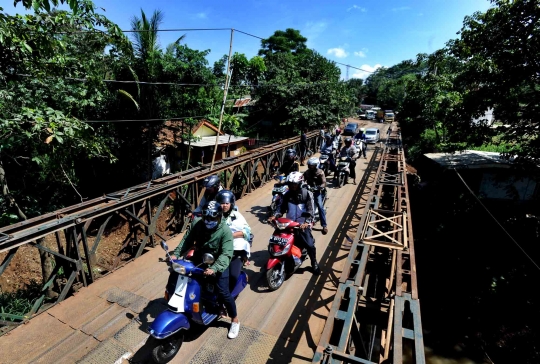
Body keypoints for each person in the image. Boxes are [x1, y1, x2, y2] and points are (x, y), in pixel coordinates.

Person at [170, 201, 240, 339]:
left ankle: (235, 320)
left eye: (212, 218)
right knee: (181, 277)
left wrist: (214, 268)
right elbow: (187, 240)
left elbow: (226, 254)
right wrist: (176, 253)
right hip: (200, 259)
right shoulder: (197, 223)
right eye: (206, 218)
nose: (209, 221)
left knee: (224, 292)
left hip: (218, 263)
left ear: (219, 217)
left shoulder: (224, 231)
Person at [267, 172, 321, 275]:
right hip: (289, 224)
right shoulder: (287, 194)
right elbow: (281, 208)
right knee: (276, 240)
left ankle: (314, 263)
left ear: (300, 183)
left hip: (301, 226)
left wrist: (307, 222)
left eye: (294, 184)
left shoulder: (307, 194)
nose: (292, 186)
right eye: (290, 184)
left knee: (310, 245)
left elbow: (311, 211)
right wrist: (275, 216)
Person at [215, 190, 251, 291]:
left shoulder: (237, 216)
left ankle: (227, 297)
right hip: (217, 248)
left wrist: (231, 235)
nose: (224, 206)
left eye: (227, 203)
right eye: (222, 203)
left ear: (231, 204)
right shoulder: (215, 215)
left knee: (232, 276)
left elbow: (247, 232)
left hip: (235, 250)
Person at [303, 157, 328, 235]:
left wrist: (319, 187)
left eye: (312, 165)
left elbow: (324, 182)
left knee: (320, 207)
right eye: (309, 165)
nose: (310, 167)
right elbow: (302, 179)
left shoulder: (320, 172)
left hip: (317, 191)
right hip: (308, 191)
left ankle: (324, 225)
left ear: (316, 165)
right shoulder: (307, 172)